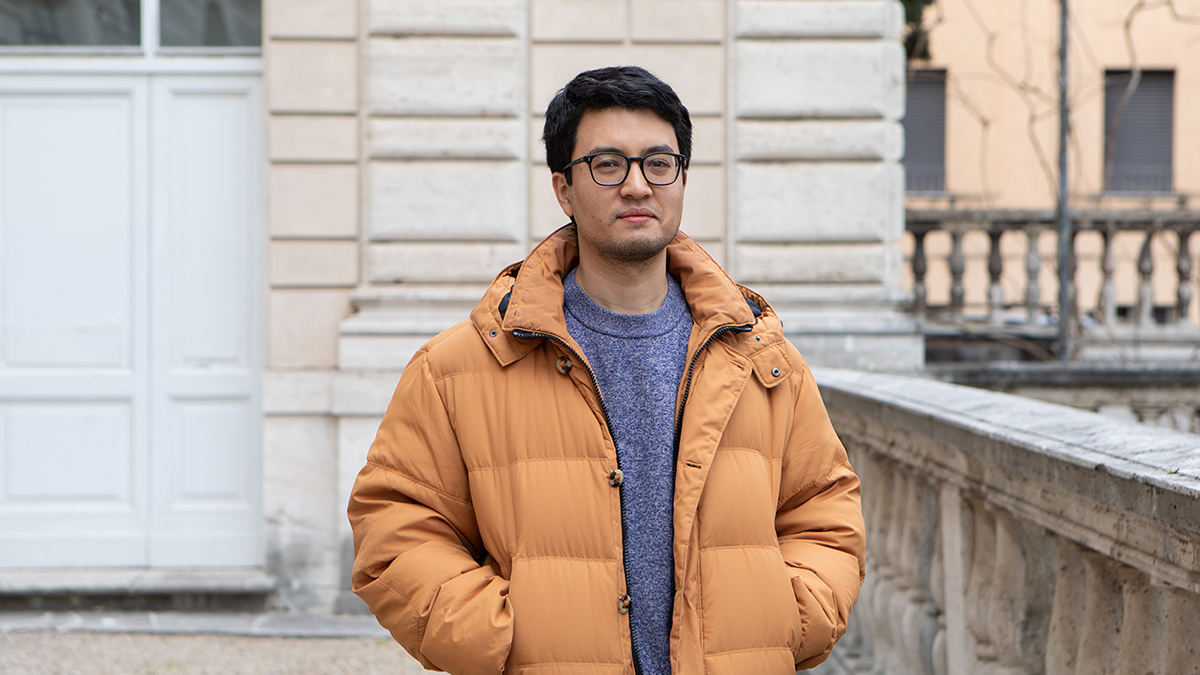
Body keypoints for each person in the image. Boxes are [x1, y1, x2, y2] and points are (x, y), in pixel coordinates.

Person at [348, 65, 865, 675]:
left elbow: (825, 512)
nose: (638, 186)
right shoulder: (458, 367)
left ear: (681, 178)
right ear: (564, 189)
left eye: (658, 163)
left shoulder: (763, 360)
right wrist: (502, 639)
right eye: (608, 164)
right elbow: (395, 529)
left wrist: (786, 618)